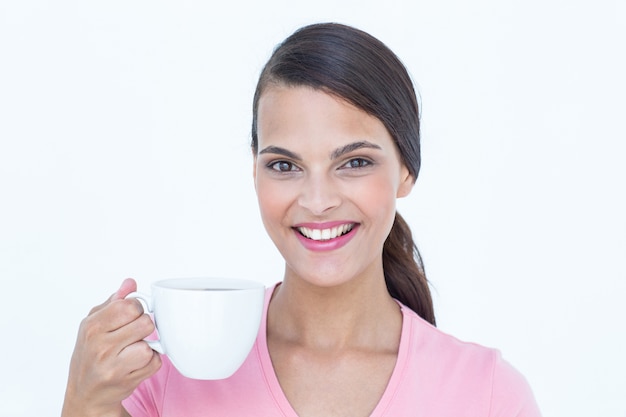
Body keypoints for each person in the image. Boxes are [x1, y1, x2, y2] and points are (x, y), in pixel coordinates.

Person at [62, 22, 542, 416]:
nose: (317, 201)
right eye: (285, 165)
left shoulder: (490, 395)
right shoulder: (158, 378)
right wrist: (83, 401)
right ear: (255, 172)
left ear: (407, 171)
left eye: (354, 162)